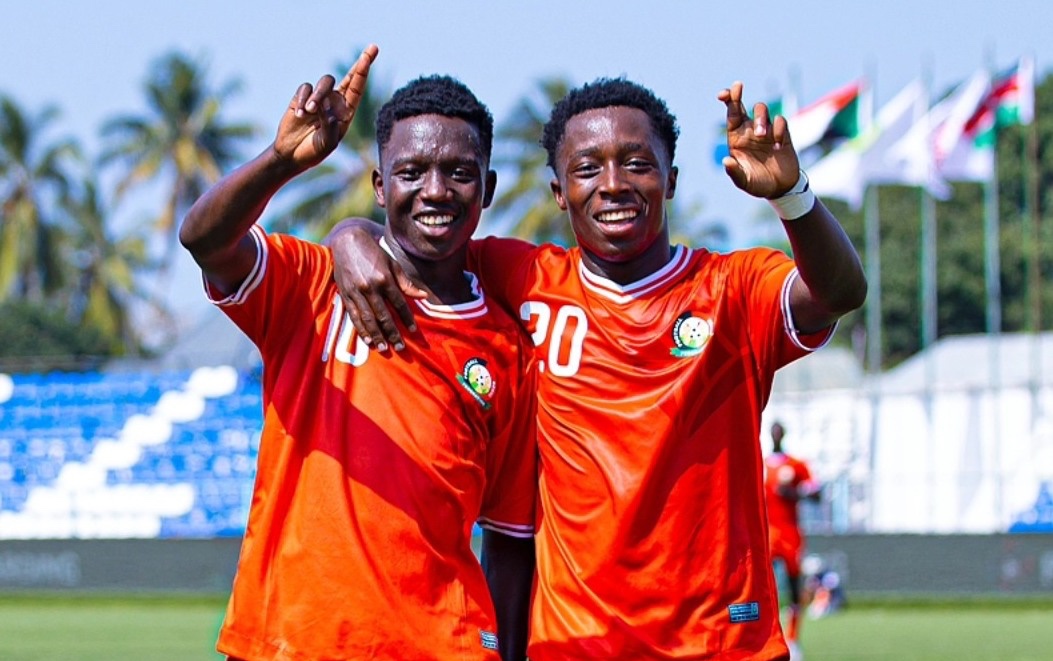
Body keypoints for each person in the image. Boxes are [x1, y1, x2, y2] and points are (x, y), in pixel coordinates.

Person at [329, 76, 867, 660]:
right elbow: (422, 241)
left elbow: (838, 292)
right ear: (560, 193)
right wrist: (352, 234)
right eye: (588, 168)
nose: (613, 185)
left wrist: (792, 197)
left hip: (721, 645)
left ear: (671, 181)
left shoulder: (733, 289)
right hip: (572, 645)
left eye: (637, 164)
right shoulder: (522, 277)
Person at [178, 45, 538, 661]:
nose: (435, 191)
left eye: (459, 172)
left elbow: (508, 539)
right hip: (291, 641)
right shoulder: (310, 284)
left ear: (489, 188)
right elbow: (205, 240)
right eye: (411, 172)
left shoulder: (508, 348)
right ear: (378, 185)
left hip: (442, 646)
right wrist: (280, 162)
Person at [764, 421, 822, 659]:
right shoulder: (760, 462)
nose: (776, 435)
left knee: (794, 586)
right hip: (765, 533)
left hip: (790, 533)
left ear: (783, 435)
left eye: (779, 431)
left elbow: (817, 494)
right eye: (773, 431)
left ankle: (793, 638)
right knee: (763, 588)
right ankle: (765, 637)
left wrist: (794, 493)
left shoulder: (796, 465)